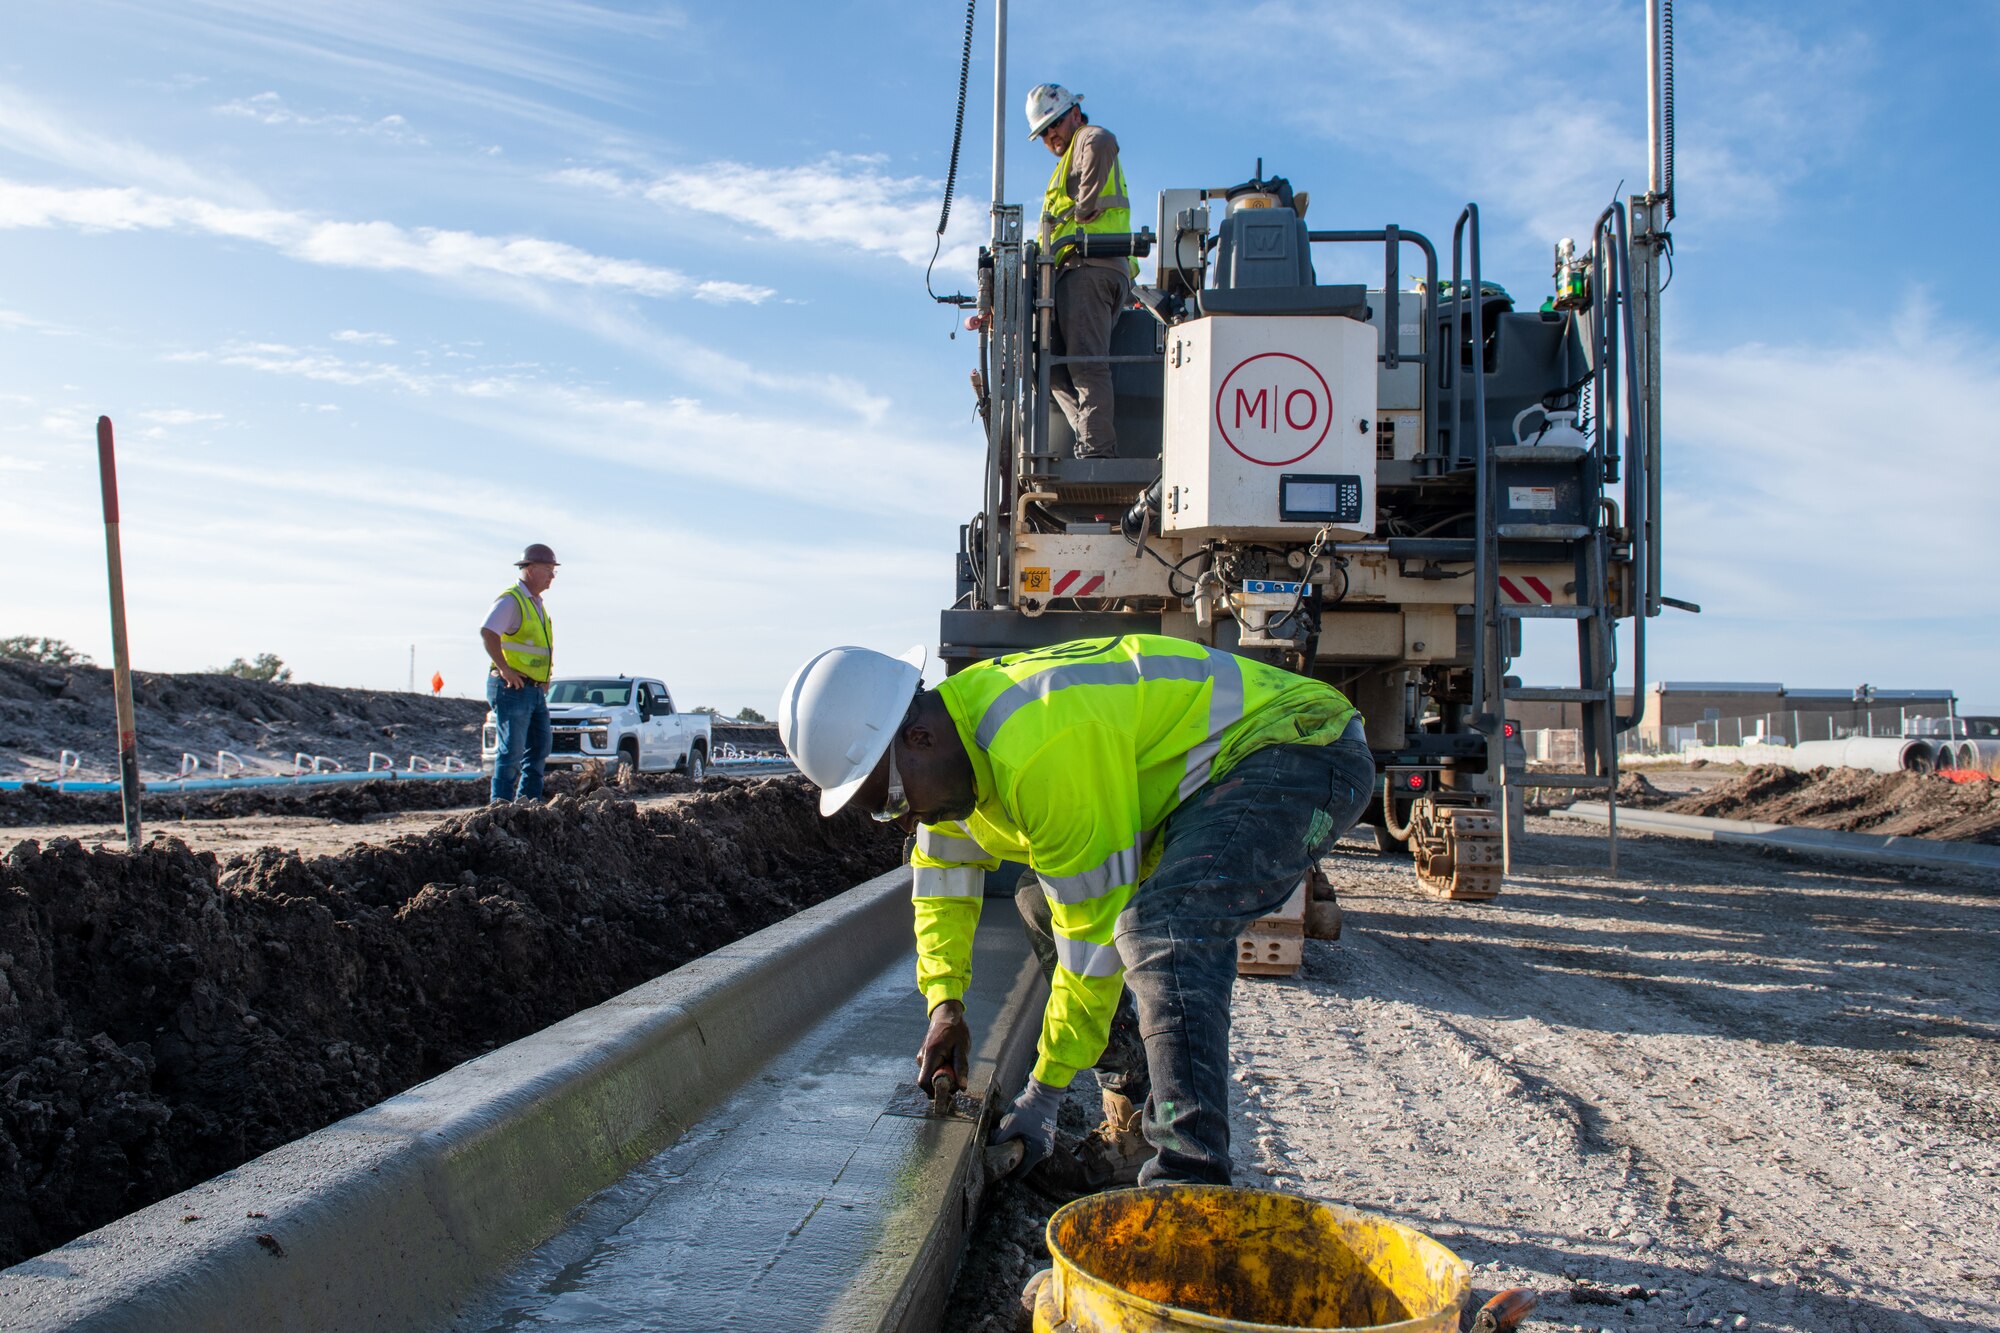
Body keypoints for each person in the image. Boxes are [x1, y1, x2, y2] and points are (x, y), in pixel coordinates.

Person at [776, 634, 1374, 1188]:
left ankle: (1187, 1186)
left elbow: (1092, 944)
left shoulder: (1040, 747)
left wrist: (1043, 1095)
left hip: (1298, 748)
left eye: (895, 805)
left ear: (919, 740)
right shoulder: (957, 742)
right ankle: (1135, 1114)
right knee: (1039, 903)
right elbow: (942, 887)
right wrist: (945, 1005)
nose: (905, 822)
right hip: (1212, 780)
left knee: (1161, 930)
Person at [1026, 83, 1137, 460]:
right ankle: (1090, 439)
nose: (1050, 135)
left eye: (1054, 124)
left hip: (1092, 267)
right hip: (1073, 271)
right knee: (1047, 364)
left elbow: (1103, 141)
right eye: (1043, 131)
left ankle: (1096, 451)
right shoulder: (1067, 160)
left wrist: (1084, 205)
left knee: (1087, 363)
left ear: (1074, 113)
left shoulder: (1089, 138)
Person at [480, 544, 558, 803]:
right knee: (511, 752)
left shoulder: (535, 604)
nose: (552, 576)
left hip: (533, 690)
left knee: (539, 750)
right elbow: (488, 632)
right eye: (548, 570)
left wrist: (544, 679)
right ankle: (500, 807)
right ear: (530, 568)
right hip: (512, 688)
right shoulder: (511, 600)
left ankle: (528, 806)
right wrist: (504, 668)